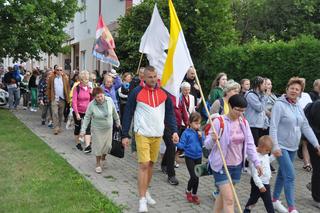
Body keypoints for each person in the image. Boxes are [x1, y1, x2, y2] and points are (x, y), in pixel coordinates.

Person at [121, 66, 179, 213]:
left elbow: (170, 114)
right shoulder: (136, 92)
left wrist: (174, 131)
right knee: (144, 165)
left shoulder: (164, 93)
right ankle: (141, 200)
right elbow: (128, 113)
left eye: (155, 76)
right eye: (150, 77)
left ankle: (146, 191)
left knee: (151, 164)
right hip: (142, 133)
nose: (153, 79)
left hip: (157, 134)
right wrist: (125, 135)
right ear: (144, 78)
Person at [269, 77, 320, 213]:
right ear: (287, 89)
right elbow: (273, 127)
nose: (294, 91)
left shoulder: (297, 106)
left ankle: (274, 200)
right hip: (281, 146)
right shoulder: (279, 105)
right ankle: (292, 208)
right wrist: (275, 147)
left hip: (293, 147)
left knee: (282, 174)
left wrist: (316, 144)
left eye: (297, 89)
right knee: (290, 175)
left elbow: (305, 126)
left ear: (300, 92)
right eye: (292, 88)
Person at [204, 94, 262, 213]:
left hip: (237, 165)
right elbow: (207, 144)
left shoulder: (244, 123)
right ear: (229, 106)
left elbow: (250, 144)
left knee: (223, 196)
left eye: (243, 111)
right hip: (221, 166)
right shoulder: (219, 121)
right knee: (230, 200)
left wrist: (257, 163)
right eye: (237, 110)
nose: (240, 113)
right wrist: (213, 139)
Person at [80, 87, 120, 174]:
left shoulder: (109, 100)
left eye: (101, 96)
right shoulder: (91, 105)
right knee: (98, 147)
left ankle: (103, 157)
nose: (100, 98)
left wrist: (117, 121)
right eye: (97, 97)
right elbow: (87, 118)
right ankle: (98, 164)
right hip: (97, 129)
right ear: (94, 97)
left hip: (108, 128)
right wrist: (83, 130)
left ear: (103, 94)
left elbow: (114, 112)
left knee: (108, 146)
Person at [175, 112, 204, 205]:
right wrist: (176, 143)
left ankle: (194, 194)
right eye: (196, 123)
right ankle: (188, 191)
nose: (198, 125)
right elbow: (182, 145)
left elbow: (204, 144)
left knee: (198, 177)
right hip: (189, 157)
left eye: (199, 123)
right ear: (190, 123)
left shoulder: (199, 132)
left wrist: (201, 137)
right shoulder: (186, 133)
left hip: (198, 156)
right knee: (193, 176)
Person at [244, 135, 275, 213]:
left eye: (269, 150)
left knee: (258, 200)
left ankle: (246, 210)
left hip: (265, 183)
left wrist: (274, 156)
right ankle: (246, 210)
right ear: (260, 147)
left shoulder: (264, 154)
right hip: (259, 183)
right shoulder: (255, 158)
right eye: (267, 150)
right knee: (255, 200)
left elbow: (267, 161)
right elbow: (255, 175)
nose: (268, 152)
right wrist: (260, 186)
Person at [72, 70, 93, 153]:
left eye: (88, 79)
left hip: (87, 112)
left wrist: (92, 94)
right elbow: (74, 102)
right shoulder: (76, 89)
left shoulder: (89, 89)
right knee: (78, 128)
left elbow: (92, 101)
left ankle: (87, 146)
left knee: (87, 128)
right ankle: (78, 143)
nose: (87, 81)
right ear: (81, 80)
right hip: (78, 112)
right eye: (86, 79)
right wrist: (77, 113)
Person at [244, 76, 269, 146]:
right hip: (252, 126)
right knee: (254, 146)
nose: (265, 86)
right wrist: (266, 96)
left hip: (259, 126)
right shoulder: (250, 95)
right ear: (259, 85)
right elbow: (260, 108)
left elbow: (263, 112)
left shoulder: (260, 95)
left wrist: (265, 123)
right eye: (264, 84)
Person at [304, 100, 320, 209]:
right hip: (316, 142)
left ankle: (314, 187)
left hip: (315, 141)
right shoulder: (318, 105)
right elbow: (316, 127)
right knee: (318, 169)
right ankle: (317, 198)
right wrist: (316, 145)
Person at [47, 66, 70, 135]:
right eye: (58, 70)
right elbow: (48, 88)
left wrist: (68, 98)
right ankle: (56, 128)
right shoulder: (51, 78)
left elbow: (68, 88)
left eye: (60, 70)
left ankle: (59, 126)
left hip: (62, 98)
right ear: (55, 71)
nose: (59, 71)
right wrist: (49, 97)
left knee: (60, 114)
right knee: (55, 113)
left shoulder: (65, 78)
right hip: (54, 98)